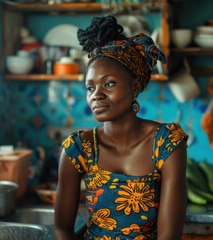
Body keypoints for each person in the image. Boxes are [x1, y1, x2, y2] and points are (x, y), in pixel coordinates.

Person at [54, 15, 188, 240]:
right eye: (90, 87)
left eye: (109, 84)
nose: (97, 95)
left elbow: (168, 237)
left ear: (135, 86)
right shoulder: (78, 149)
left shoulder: (167, 143)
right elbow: (61, 229)